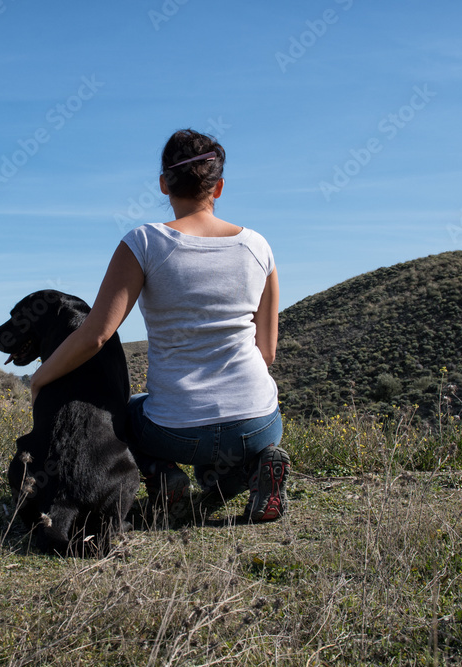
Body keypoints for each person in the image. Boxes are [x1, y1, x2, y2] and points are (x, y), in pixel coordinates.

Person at [30, 129, 290, 523]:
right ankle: (259, 467)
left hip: (175, 430)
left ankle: (162, 472)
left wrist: (40, 378)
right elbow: (266, 352)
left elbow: (96, 335)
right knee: (219, 475)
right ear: (218, 187)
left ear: (164, 183)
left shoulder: (144, 242)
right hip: (257, 423)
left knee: (128, 412)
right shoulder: (258, 247)